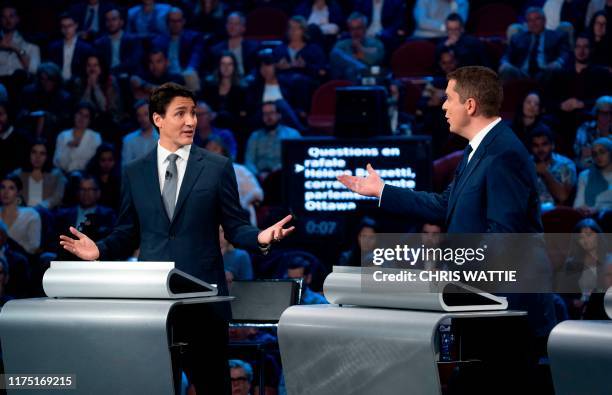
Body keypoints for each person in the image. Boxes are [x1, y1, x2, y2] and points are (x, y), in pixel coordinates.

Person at [59, 82, 295, 394]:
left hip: (205, 305)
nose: (191, 121)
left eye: (194, 113)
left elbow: (236, 228)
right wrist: (99, 250)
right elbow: (127, 232)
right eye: (180, 113)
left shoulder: (216, 167)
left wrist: (261, 236)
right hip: (154, 306)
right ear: (158, 119)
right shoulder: (134, 172)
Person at [338, 66, 556, 352]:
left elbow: (505, 238)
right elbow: (444, 205)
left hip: (507, 313)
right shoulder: (478, 149)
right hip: (486, 308)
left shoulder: (504, 153)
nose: (442, 105)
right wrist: (382, 191)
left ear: (470, 105)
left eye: (449, 98)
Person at [499, 7, 570, 82]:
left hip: (546, 71)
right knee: (506, 69)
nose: (533, 23)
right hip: (522, 73)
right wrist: (505, 63)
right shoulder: (518, 38)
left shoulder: (556, 36)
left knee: (555, 69)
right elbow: (506, 55)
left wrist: (558, 62)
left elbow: (565, 53)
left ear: (544, 20)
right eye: (530, 20)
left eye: (537, 19)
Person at [206, 134, 262, 225]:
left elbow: (257, 193)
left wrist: (242, 204)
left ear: (223, 151)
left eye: (215, 149)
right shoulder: (200, 173)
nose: (211, 153)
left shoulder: (239, 170)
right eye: (207, 150)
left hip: (238, 218)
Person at [245, 101, 301, 181]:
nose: (268, 117)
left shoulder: (292, 135)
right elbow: (249, 161)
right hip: (259, 178)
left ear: (279, 115)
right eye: (265, 114)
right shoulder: (255, 136)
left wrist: (274, 174)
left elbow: (295, 160)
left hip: (283, 177)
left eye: (271, 113)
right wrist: (258, 174)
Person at [151, 7, 204, 92]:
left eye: (178, 21)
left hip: (184, 73)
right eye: (172, 21)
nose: (175, 24)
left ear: (183, 21)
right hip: (166, 75)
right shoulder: (158, 41)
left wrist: (190, 68)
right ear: (168, 22)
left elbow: (196, 55)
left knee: (190, 75)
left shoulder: (193, 37)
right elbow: (155, 60)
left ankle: (195, 103)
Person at [530, 128, 577, 211]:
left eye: (544, 144)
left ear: (552, 145)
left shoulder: (566, 165)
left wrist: (545, 173)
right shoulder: (526, 164)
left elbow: (563, 197)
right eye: (536, 145)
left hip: (556, 212)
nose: (540, 149)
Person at [329, 12, 384, 82]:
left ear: (365, 28)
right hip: (347, 82)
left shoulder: (376, 43)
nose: (355, 32)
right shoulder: (341, 45)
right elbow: (334, 60)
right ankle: (360, 68)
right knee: (349, 69)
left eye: (359, 28)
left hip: (370, 79)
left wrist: (359, 48)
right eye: (352, 29)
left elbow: (373, 60)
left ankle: (361, 69)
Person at [12, 139, 66, 209]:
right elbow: (13, 195)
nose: (37, 157)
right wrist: (22, 207)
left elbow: (57, 197)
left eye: (42, 153)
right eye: (34, 152)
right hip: (22, 213)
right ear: (29, 154)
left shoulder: (56, 174)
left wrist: (39, 208)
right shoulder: (18, 174)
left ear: (47, 156)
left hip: (47, 213)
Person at [53, 102, 102, 173]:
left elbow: (96, 163)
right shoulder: (63, 135)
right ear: (74, 115)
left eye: (86, 116)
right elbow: (56, 162)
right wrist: (68, 148)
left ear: (90, 120)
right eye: (80, 114)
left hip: (86, 176)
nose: (82, 118)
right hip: (64, 175)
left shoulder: (95, 137)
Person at [94, 7, 144, 77]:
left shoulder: (133, 40)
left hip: (128, 76)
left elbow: (133, 62)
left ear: (121, 22)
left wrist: (114, 71)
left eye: (114, 19)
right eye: (108, 20)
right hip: (107, 77)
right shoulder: (99, 43)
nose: (111, 23)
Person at [0, 174, 41, 255]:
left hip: (22, 260)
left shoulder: (31, 215)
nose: (6, 192)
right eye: (2, 187)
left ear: (18, 192)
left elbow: (34, 247)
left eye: (11, 188)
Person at [46, 13, 94, 82]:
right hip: (57, 83)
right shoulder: (53, 47)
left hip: (77, 83)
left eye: (69, 26)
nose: (66, 29)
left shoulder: (86, 48)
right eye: (63, 26)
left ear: (76, 26)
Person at [209, 12, 259, 77]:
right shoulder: (216, 49)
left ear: (243, 28)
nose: (232, 27)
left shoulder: (253, 48)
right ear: (226, 26)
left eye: (236, 24)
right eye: (230, 23)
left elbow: (255, 70)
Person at [574, 136, 612, 214]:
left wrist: (598, 209)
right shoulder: (585, 176)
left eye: (602, 152)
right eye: (595, 154)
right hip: (590, 218)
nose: (598, 157)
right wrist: (582, 209)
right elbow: (577, 206)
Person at [574, 95, 612, 170]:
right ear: (596, 113)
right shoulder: (585, 128)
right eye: (603, 113)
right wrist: (582, 151)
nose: (607, 117)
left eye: (609, 113)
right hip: (589, 164)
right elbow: (577, 149)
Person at [122, 100, 160, 166]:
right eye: (139, 115)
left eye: (145, 114)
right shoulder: (129, 140)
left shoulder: (162, 138)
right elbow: (126, 167)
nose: (142, 119)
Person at [86, 143, 121, 210]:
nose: (106, 164)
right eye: (103, 160)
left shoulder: (120, 181)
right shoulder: (90, 180)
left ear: (115, 161)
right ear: (97, 161)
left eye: (110, 160)